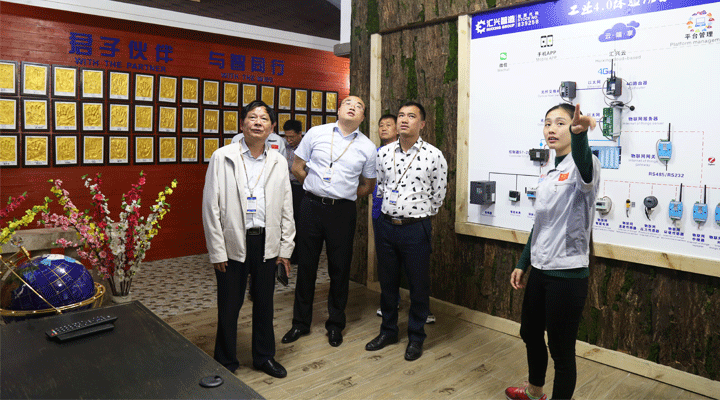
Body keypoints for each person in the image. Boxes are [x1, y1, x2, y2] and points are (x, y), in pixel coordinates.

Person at [505, 103, 600, 400]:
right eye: (547, 123)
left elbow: (583, 160)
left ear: (572, 127)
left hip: (567, 274)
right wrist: (523, 263)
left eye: (560, 123)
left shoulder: (585, 165)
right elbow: (541, 224)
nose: (551, 129)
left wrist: (580, 134)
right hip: (541, 269)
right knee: (530, 333)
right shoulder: (550, 171)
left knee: (561, 349)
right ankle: (535, 391)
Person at [202, 100, 295, 379]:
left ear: (272, 128)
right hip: (233, 241)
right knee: (229, 304)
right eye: (252, 117)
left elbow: (287, 206)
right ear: (242, 124)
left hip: (266, 241)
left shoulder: (278, 161)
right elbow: (210, 206)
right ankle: (225, 360)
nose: (257, 122)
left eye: (263, 119)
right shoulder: (223, 156)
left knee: (265, 303)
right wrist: (217, 250)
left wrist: (285, 248)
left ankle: (264, 356)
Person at [281, 95, 377, 347]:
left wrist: (341, 194)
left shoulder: (367, 147)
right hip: (311, 207)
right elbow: (297, 167)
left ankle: (335, 324)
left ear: (362, 117)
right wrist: (316, 188)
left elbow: (368, 185)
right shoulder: (316, 133)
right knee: (306, 266)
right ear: (339, 109)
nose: (353, 107)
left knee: (339, 268)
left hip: (342, 212)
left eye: (359, 106)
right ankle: (300, 323)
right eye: (348, 103)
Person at [365, 102, 447, 361]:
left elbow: (439, 194)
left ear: (422, 124)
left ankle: (416, 337)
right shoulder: (383, 153)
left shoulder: (434, 155)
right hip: (386, 226)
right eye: (401, 115)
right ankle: (388, 331)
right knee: (387, 282)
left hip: (415, 228)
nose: (404, 120)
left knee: (418, 284)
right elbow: (380, 186)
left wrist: (418, 213)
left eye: (411, 116)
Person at [372, 113, 436, 324]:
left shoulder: (426, 154)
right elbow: (376, 184)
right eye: (381, 125)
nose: (384, 128)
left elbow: (437, 191)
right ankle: (389, 319)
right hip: (383, 218)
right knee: (388, 272)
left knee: (417, 274)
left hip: (414, 223)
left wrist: (422, 211)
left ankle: (419, 322)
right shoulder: (380, 154)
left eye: (388, 125)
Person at [283, 119, 305, 264]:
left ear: (299, 134)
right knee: (286, 219)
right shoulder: (284, 146)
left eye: (291, 137)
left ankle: (297, 254)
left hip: (300, 187)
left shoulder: (305, 147)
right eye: (286, 136)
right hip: (286, 187)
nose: (289, 140)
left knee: (298, 220)